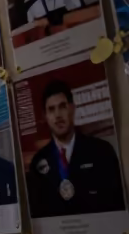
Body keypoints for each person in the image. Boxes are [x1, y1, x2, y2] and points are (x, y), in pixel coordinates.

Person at [26, 80, 126, 218]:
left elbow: (118, 208)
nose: (58, 115)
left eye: (62, 106)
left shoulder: (102, 151)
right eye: (51, 109)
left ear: (72, 108)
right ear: (45, 117)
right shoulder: (38, 162)